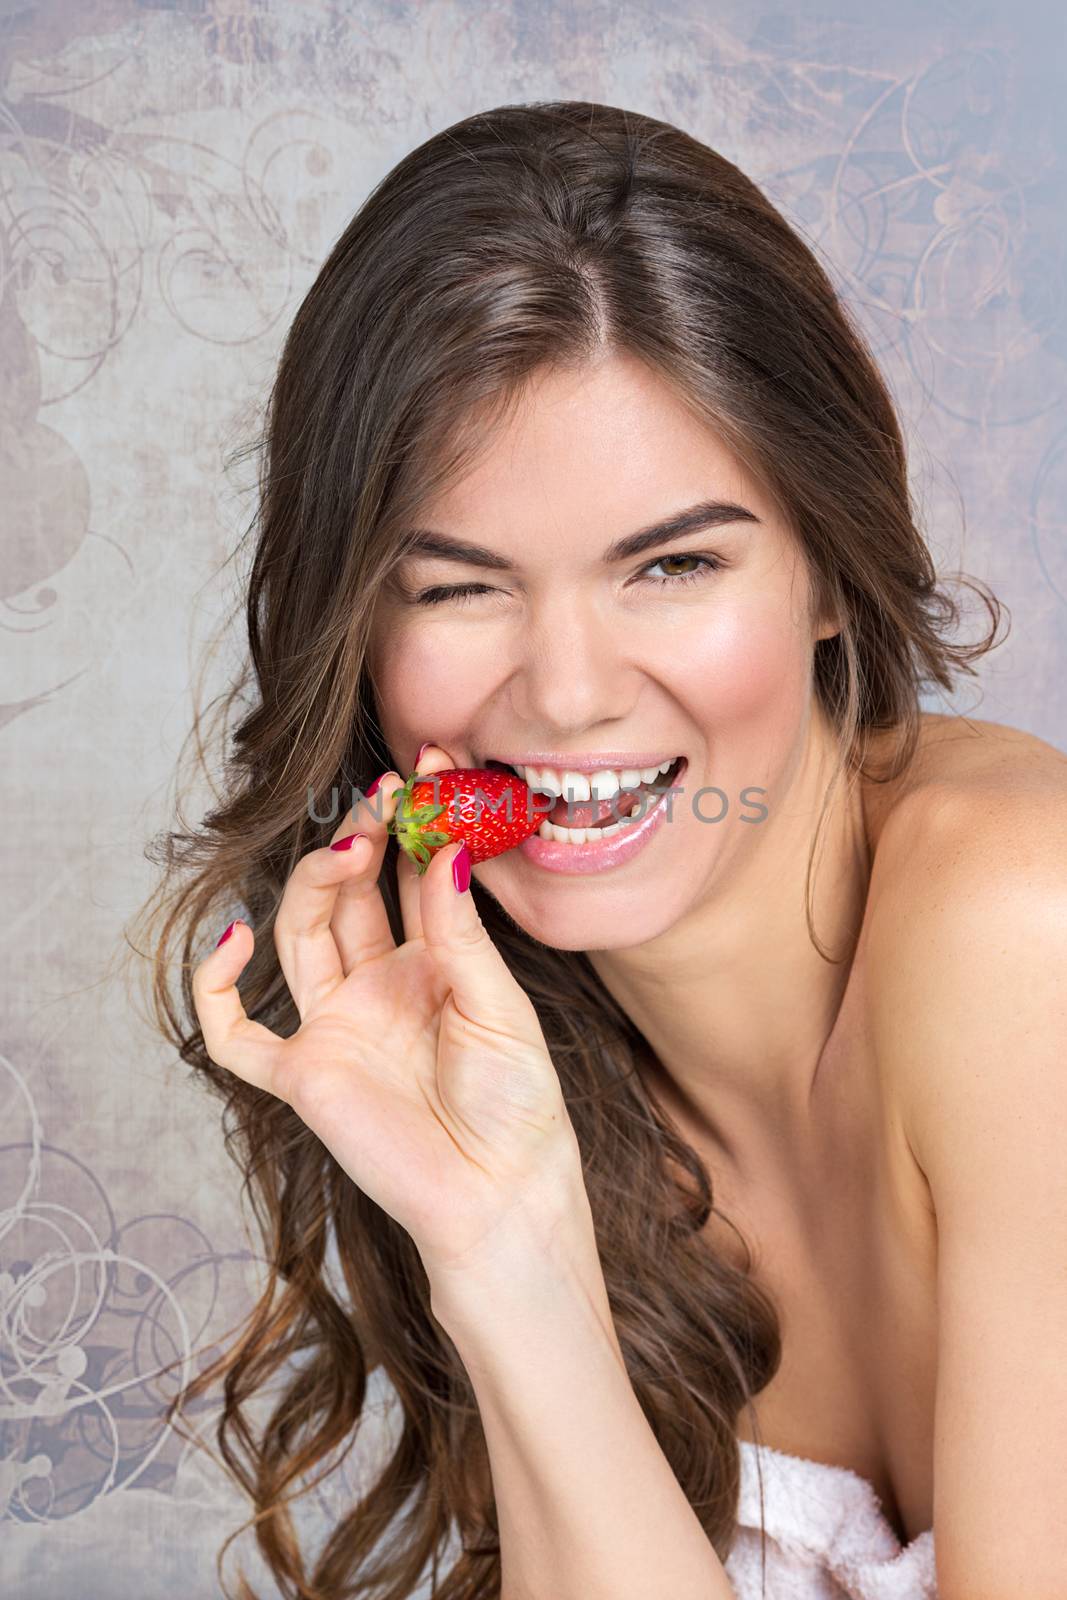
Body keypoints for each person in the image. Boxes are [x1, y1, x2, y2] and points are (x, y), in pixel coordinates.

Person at [130, 101, 1067, 1600]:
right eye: (456, 590)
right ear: (356, 641)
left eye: (674, 563)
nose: (566, 693)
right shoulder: (512, 1057)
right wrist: (500, 1240)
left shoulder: (1027, 927)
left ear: (830, 564)